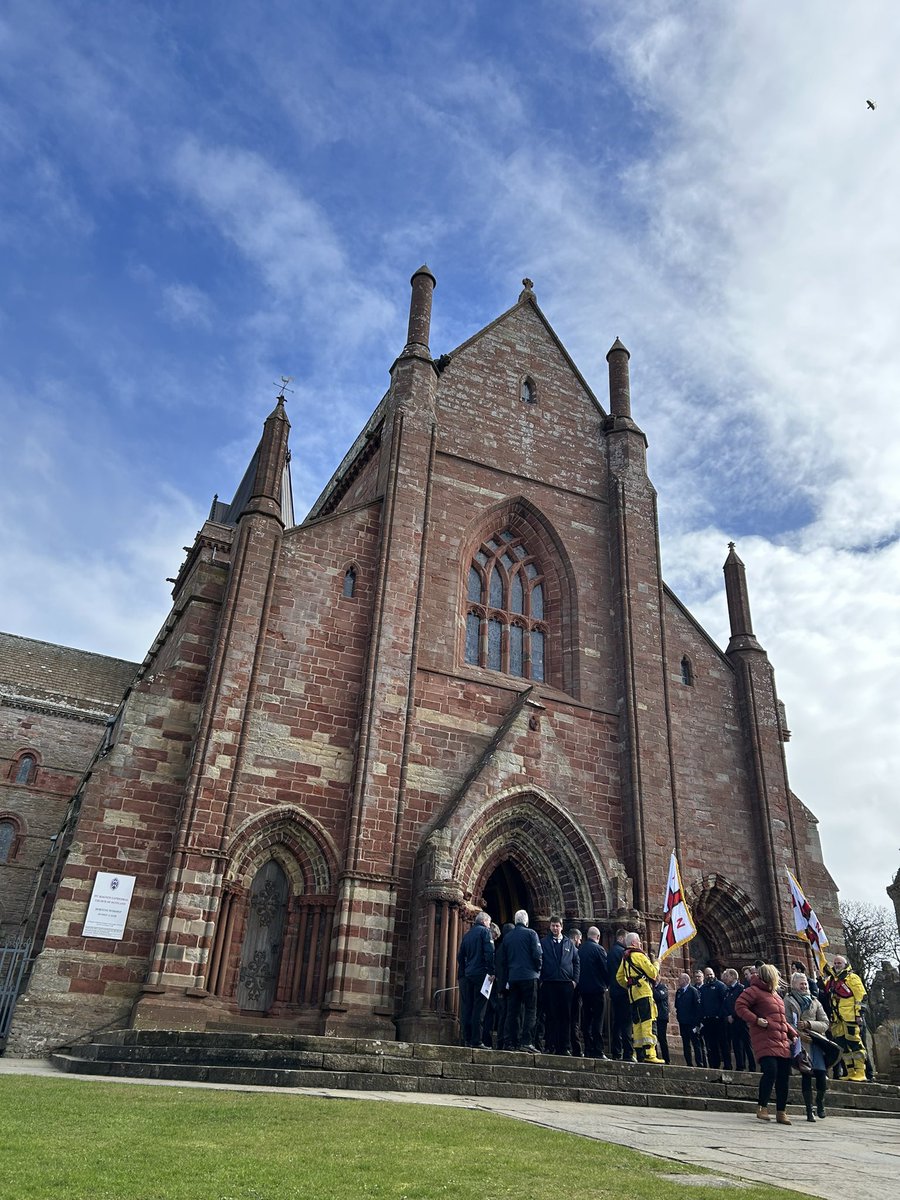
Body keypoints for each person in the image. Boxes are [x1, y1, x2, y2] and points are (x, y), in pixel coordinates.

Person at [735, 963, 797, 1124]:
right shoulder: (752, 991)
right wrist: (756, 1020)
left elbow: (781, 1018)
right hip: (765, 1038)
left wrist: (793, 1034)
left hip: (782, 1040)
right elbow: (739, 1006)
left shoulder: (776, 996)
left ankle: (781, 1111)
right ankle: (762, 1107)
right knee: (771, 1070)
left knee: (784, 1076)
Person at [784, 970, 831, 1121]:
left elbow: (825, 1023)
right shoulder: (789, 1000)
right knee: (806, 1075)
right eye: (801, 984)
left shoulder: (815, 1001)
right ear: (794, 985)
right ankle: (809, 1109)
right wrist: (797, 1033)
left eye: (805, 983)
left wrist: (809, 1024)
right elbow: (786, 1021)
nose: (804, 986)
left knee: (821, 1077)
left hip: (816, 1042)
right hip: (801, 1044)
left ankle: (820, 1102)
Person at [616, 931, 662, 1063]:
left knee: (637, 1024)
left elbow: (619, 977)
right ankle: (650, 1054)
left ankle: (638, 1053)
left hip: (633, 995)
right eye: (639, 941)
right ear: (634, 943)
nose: (641, 943)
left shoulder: (625, 957)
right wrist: (657, 963)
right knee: (648, 1021)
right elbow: (652, 973)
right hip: (644, 993)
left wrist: (630, 985)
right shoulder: (638, 955)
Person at [502, 909, 542, 1052]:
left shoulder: (508, 937)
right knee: (531, 1009)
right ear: (526, 921)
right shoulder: (531, 933)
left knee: (513, 1010)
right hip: (529, 976)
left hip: (513, 977)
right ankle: (526, 1041)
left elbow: (504, 959)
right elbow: (537, 954)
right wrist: (538, 969)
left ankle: (510, 1041)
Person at [822, 955, 868, 1081]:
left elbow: (861, 997)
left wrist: (859, 1014)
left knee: (855, 1043)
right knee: (842, 1046)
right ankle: (850, 1071)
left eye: (839, 963)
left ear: (845, 964)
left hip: (850, 1017)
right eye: (835, 963)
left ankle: (860, 1071)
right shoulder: (831, 980)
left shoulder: (852, 978)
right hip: (837, 1019)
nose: (836, 965)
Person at [539, 915, 580, 1055]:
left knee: (565, 1016)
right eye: (553, 926)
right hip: (549, 983)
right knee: (550, 1016)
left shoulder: (569, 943)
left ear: (562, 927)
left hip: (566, 984)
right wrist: (542, 979)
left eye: (557, 926)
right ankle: (550, 1045)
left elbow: (576, 962)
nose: (555, 928)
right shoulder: (544, 942)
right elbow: (539, 960)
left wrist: (575, 980)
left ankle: (564, 1047)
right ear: (550, 927)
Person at [456, 910, 495, 1048]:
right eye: (489, 923)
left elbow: (460, 956)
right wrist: (491, 971)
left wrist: (466, 970)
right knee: (479, 1008)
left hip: (468, 975)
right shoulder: (485, 932)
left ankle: (467, 1038)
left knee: (468, 1007)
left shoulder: (467, 935)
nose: (489, 926)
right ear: (485, 921)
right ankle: (477, 1040)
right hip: (481, 974)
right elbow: (489, 952)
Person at [576, 926, 609, 1059]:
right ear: (598, 937)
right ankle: (598, 1050)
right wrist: (607, 984)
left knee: (587, 1020)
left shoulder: (580, 950)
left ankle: (588, 1048)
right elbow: (605, 969)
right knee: (598, 1020)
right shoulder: (599, 949)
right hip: (597, 989)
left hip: (583, 990)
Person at [607, 929, 633, 1061]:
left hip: (614, 991)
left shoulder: (611, 952)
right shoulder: (623, 953)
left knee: (616, 1022)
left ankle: (616, 1051)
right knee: (626, 1023)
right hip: (624, 991)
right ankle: (628, 1052)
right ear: (622, 938)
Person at [722, 968, 754, 1071]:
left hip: (741, 1020)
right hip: (732, 1021)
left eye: (727, 976)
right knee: (736, 1044)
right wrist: (728, 1015)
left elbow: (743, 1005)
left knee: (747, 1044)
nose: (725, 978)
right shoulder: (727, 990)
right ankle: (740, 1066)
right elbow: (726, 1005)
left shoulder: (741, 989)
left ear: (733, 976)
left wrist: (734, 1015)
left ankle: (752, 1066)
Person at [700, 967, 730, 1069]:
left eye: (711, 974)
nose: (709, 976)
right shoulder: (703, 988)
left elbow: (725, 1002)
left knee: (723, 1043)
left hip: (720, 1020)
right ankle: (715, 1065)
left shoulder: (720, 986)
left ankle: (727, 1065)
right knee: (712, 1044)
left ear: (714, 974)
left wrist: (720, 1014)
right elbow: (702, 1004)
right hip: (708, 1020)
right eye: (707, 975)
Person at [674, 971, 705, 1067]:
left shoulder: (693, 991)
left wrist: (697, 1023)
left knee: (696, 1044)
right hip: (683, 1022)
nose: (678, 981)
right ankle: (689, 1063)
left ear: (686, 980)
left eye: (680, 979)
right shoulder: (679, 992)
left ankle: (700, 1063)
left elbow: (698, 1007)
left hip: (692, 1023)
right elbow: (677, 1005)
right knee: (686, 1044)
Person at [567, 927, 585, 1055]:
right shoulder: (576, 952)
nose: (580, 942)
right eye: (579, 940)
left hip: (564, 989)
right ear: (576, 938)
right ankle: (576, 1049)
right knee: (574, 1021)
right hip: (574, 990)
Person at [652, 971, 670, 1063]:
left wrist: (652, 989)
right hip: (653, 1016)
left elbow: (659, 996)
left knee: (662, 1038)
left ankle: (667, 1059)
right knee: (653, 1037)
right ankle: (655, 1056)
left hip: (661, 1016)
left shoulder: (663, 987)